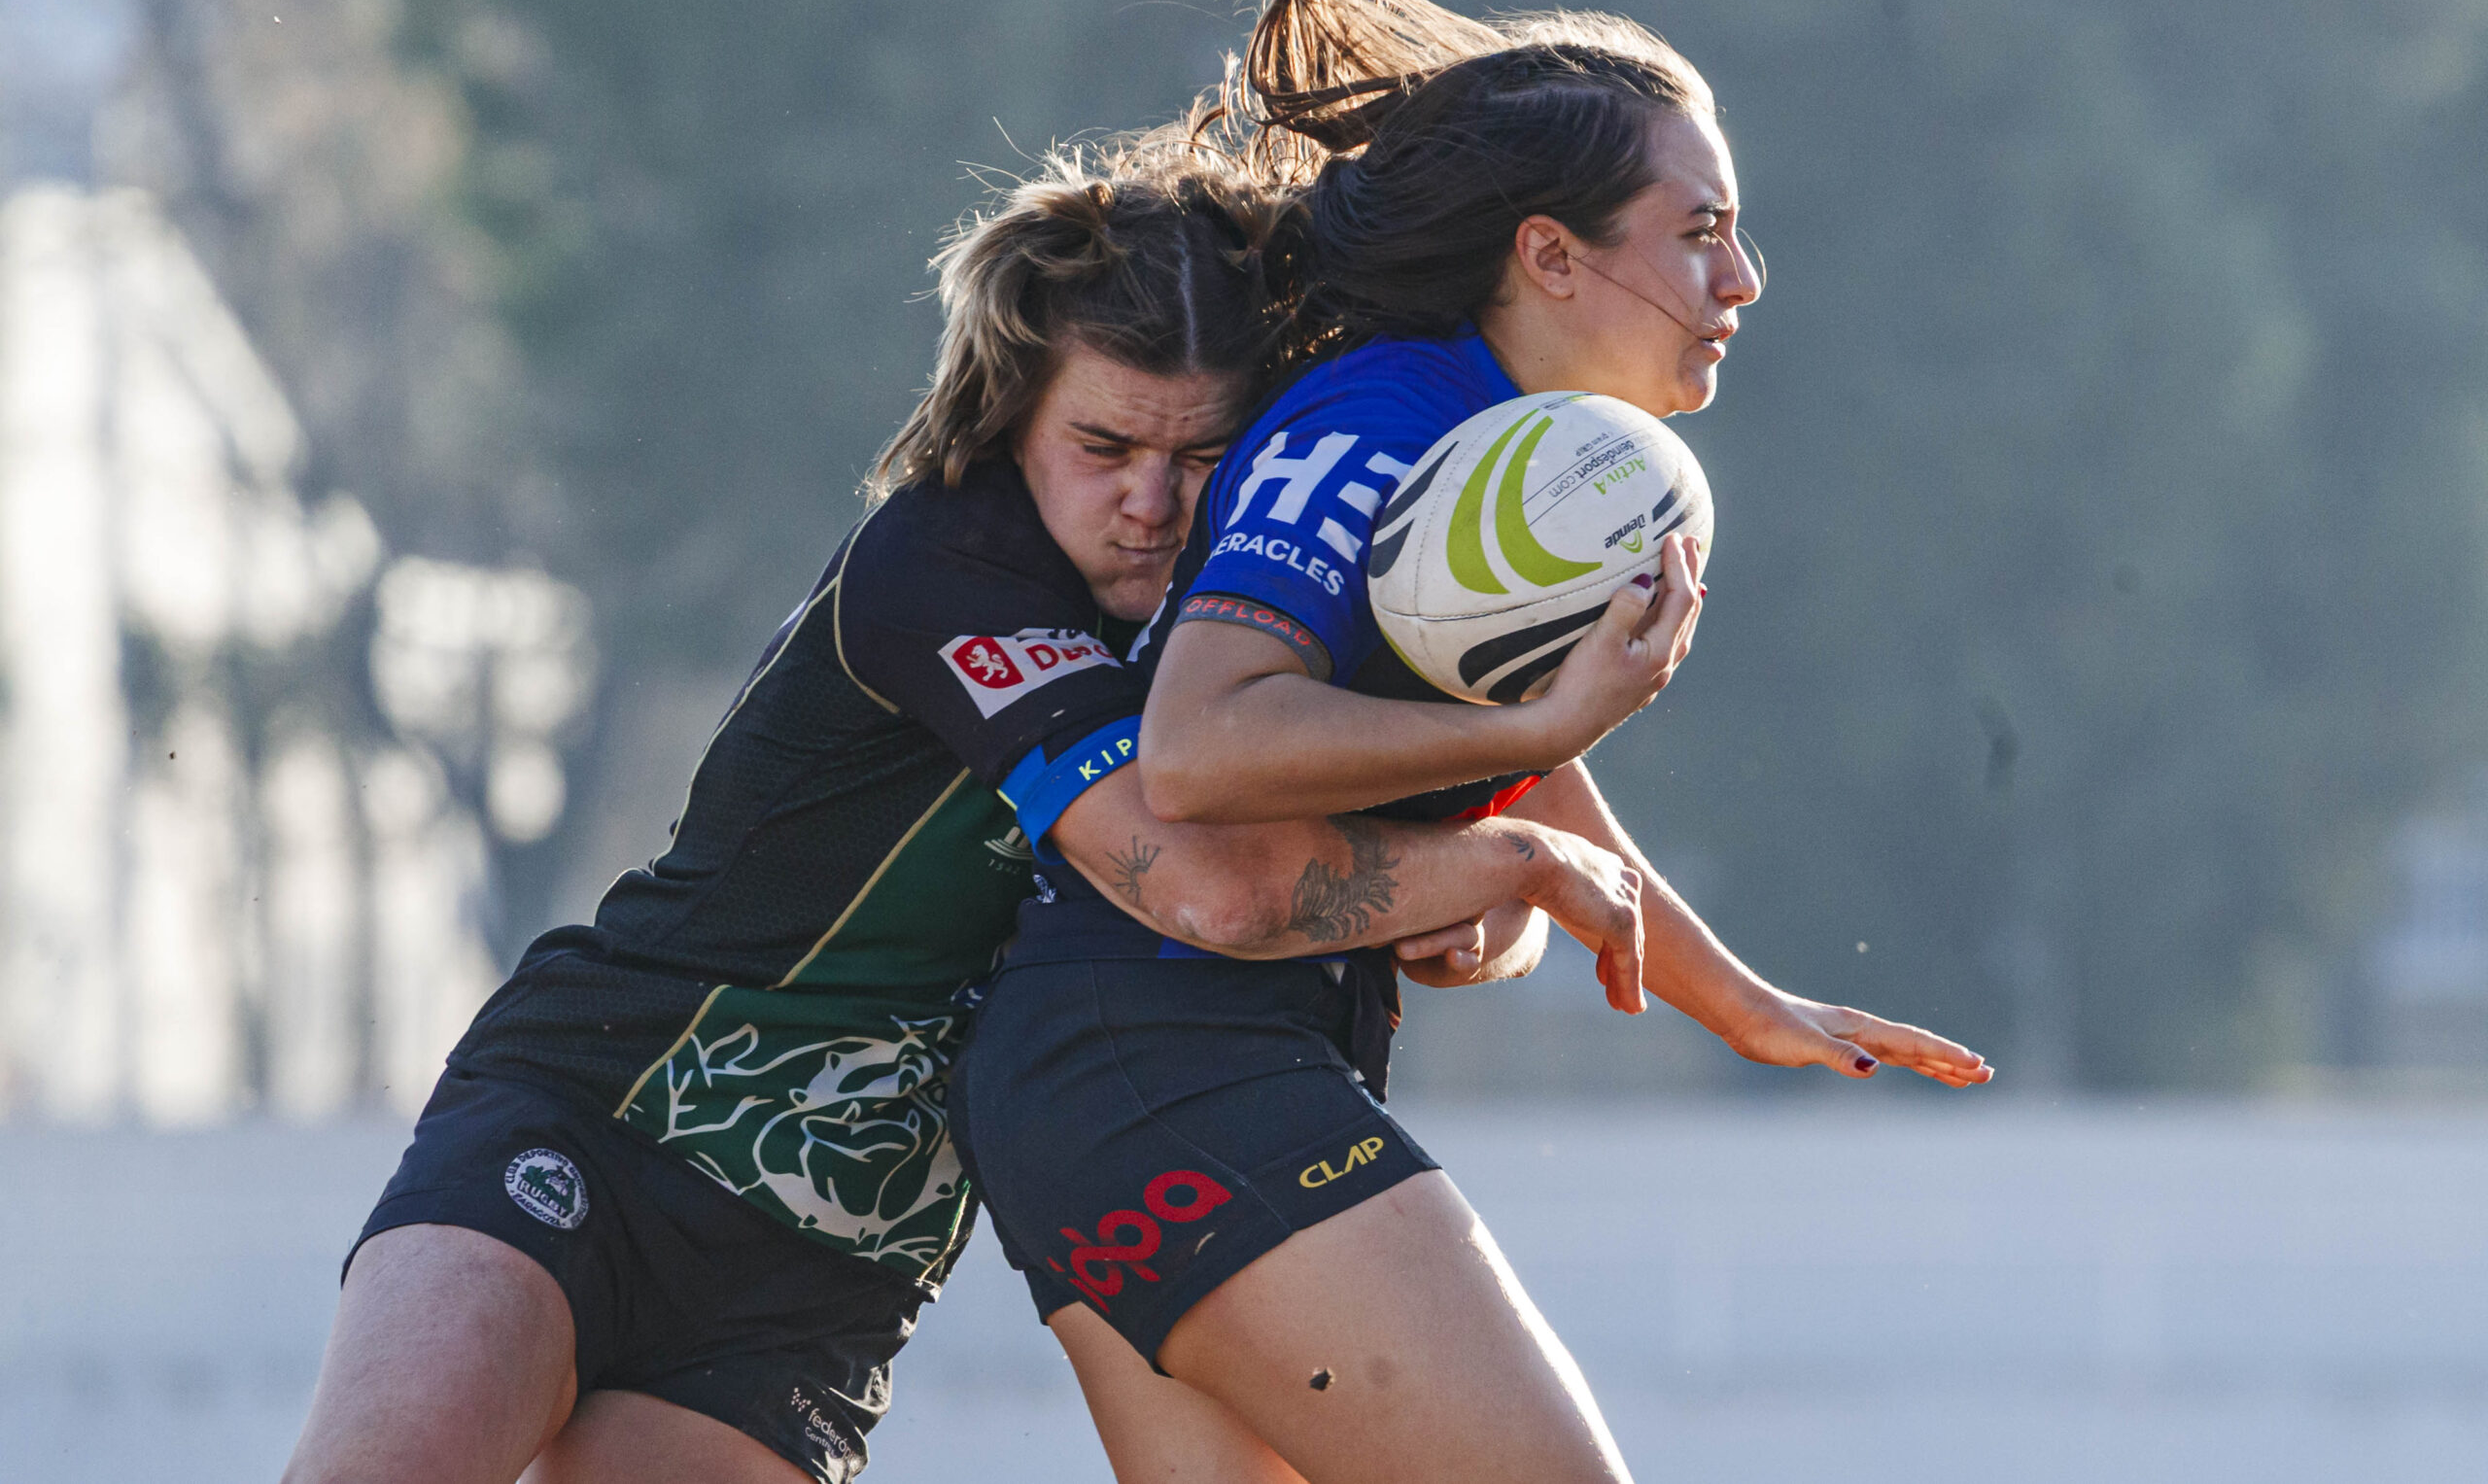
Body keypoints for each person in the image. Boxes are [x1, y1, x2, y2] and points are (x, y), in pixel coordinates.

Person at [279, 138, 1656, 1484]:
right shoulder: (945, 561)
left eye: (1201, 459)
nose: (1148, 504)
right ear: (1014, 418)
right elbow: (1210, 890)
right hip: (601, 1115)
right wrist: (1514, 862)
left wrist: (1477, 902)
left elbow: (1432, 837)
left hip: (818, 1280)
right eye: (1103, 445)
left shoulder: (1251, 609)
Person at [952, 0, 1994, 1484]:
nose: (1743, 278)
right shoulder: (1381, 420)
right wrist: (1543, 728)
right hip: (1152, 1056)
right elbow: (1203, 745)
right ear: (1552, 258)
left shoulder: (1486, 443)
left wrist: (1739, 999)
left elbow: (1492, 753)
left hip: (1122, 1074)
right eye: (1701, 230)